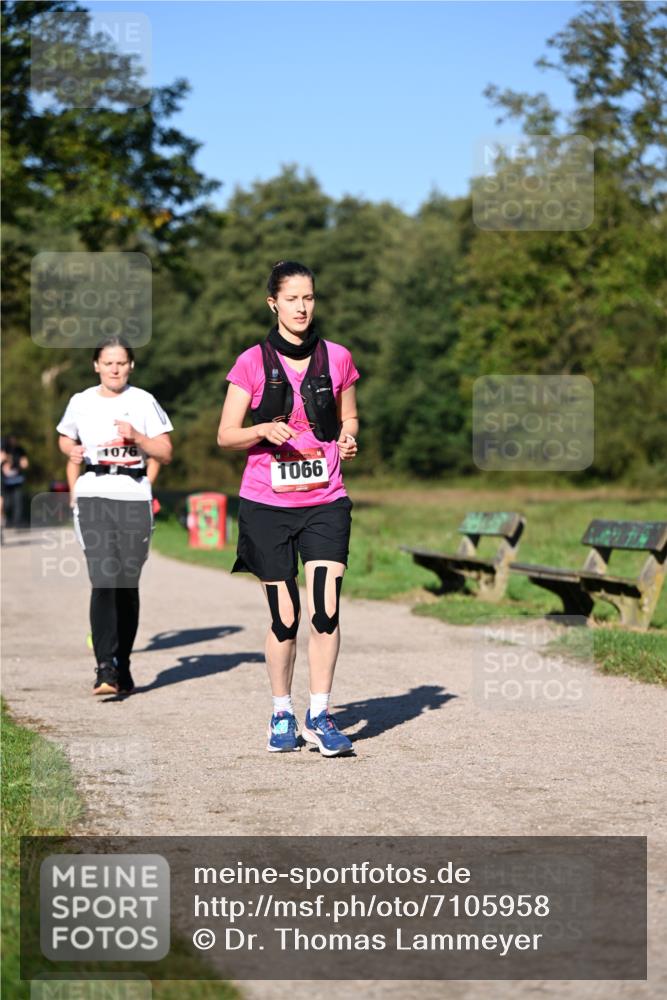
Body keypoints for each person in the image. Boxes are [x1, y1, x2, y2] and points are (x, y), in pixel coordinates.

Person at [217, 260, 359, 756]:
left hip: (325, 501)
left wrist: (348, 437)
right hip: (266, 505)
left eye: (309, 298)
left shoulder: (337, 357)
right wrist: (261, 429)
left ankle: (320, 714)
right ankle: (282, 712)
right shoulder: (251, 362)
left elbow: (349, 417)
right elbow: (226, 434)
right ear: (273, 303)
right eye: (292, 299)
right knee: (285, 617)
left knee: (326, 610)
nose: (302, 307)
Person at [57, 337, 173, 696]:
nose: (114, 369)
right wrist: (72, 450)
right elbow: (65, 437)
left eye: (121, 363)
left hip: (134, 496)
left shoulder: (143, 401)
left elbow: (165, 452)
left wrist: (137, 436)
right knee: (104, 577)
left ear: (131, 366)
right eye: (108, 363)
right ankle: (105, 666)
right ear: (96, 365)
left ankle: (122, 662)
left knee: (126, 584)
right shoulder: (81, 401)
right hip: (93, 494)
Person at [1, 433, 29, 528]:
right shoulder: (4, 449)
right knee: (6, 502)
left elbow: (25, 464)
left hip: (17, 480)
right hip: (5, 482)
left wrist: (13, 460)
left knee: (18, 502)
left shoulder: (20, 450)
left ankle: (17, 522)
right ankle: (7, 521)